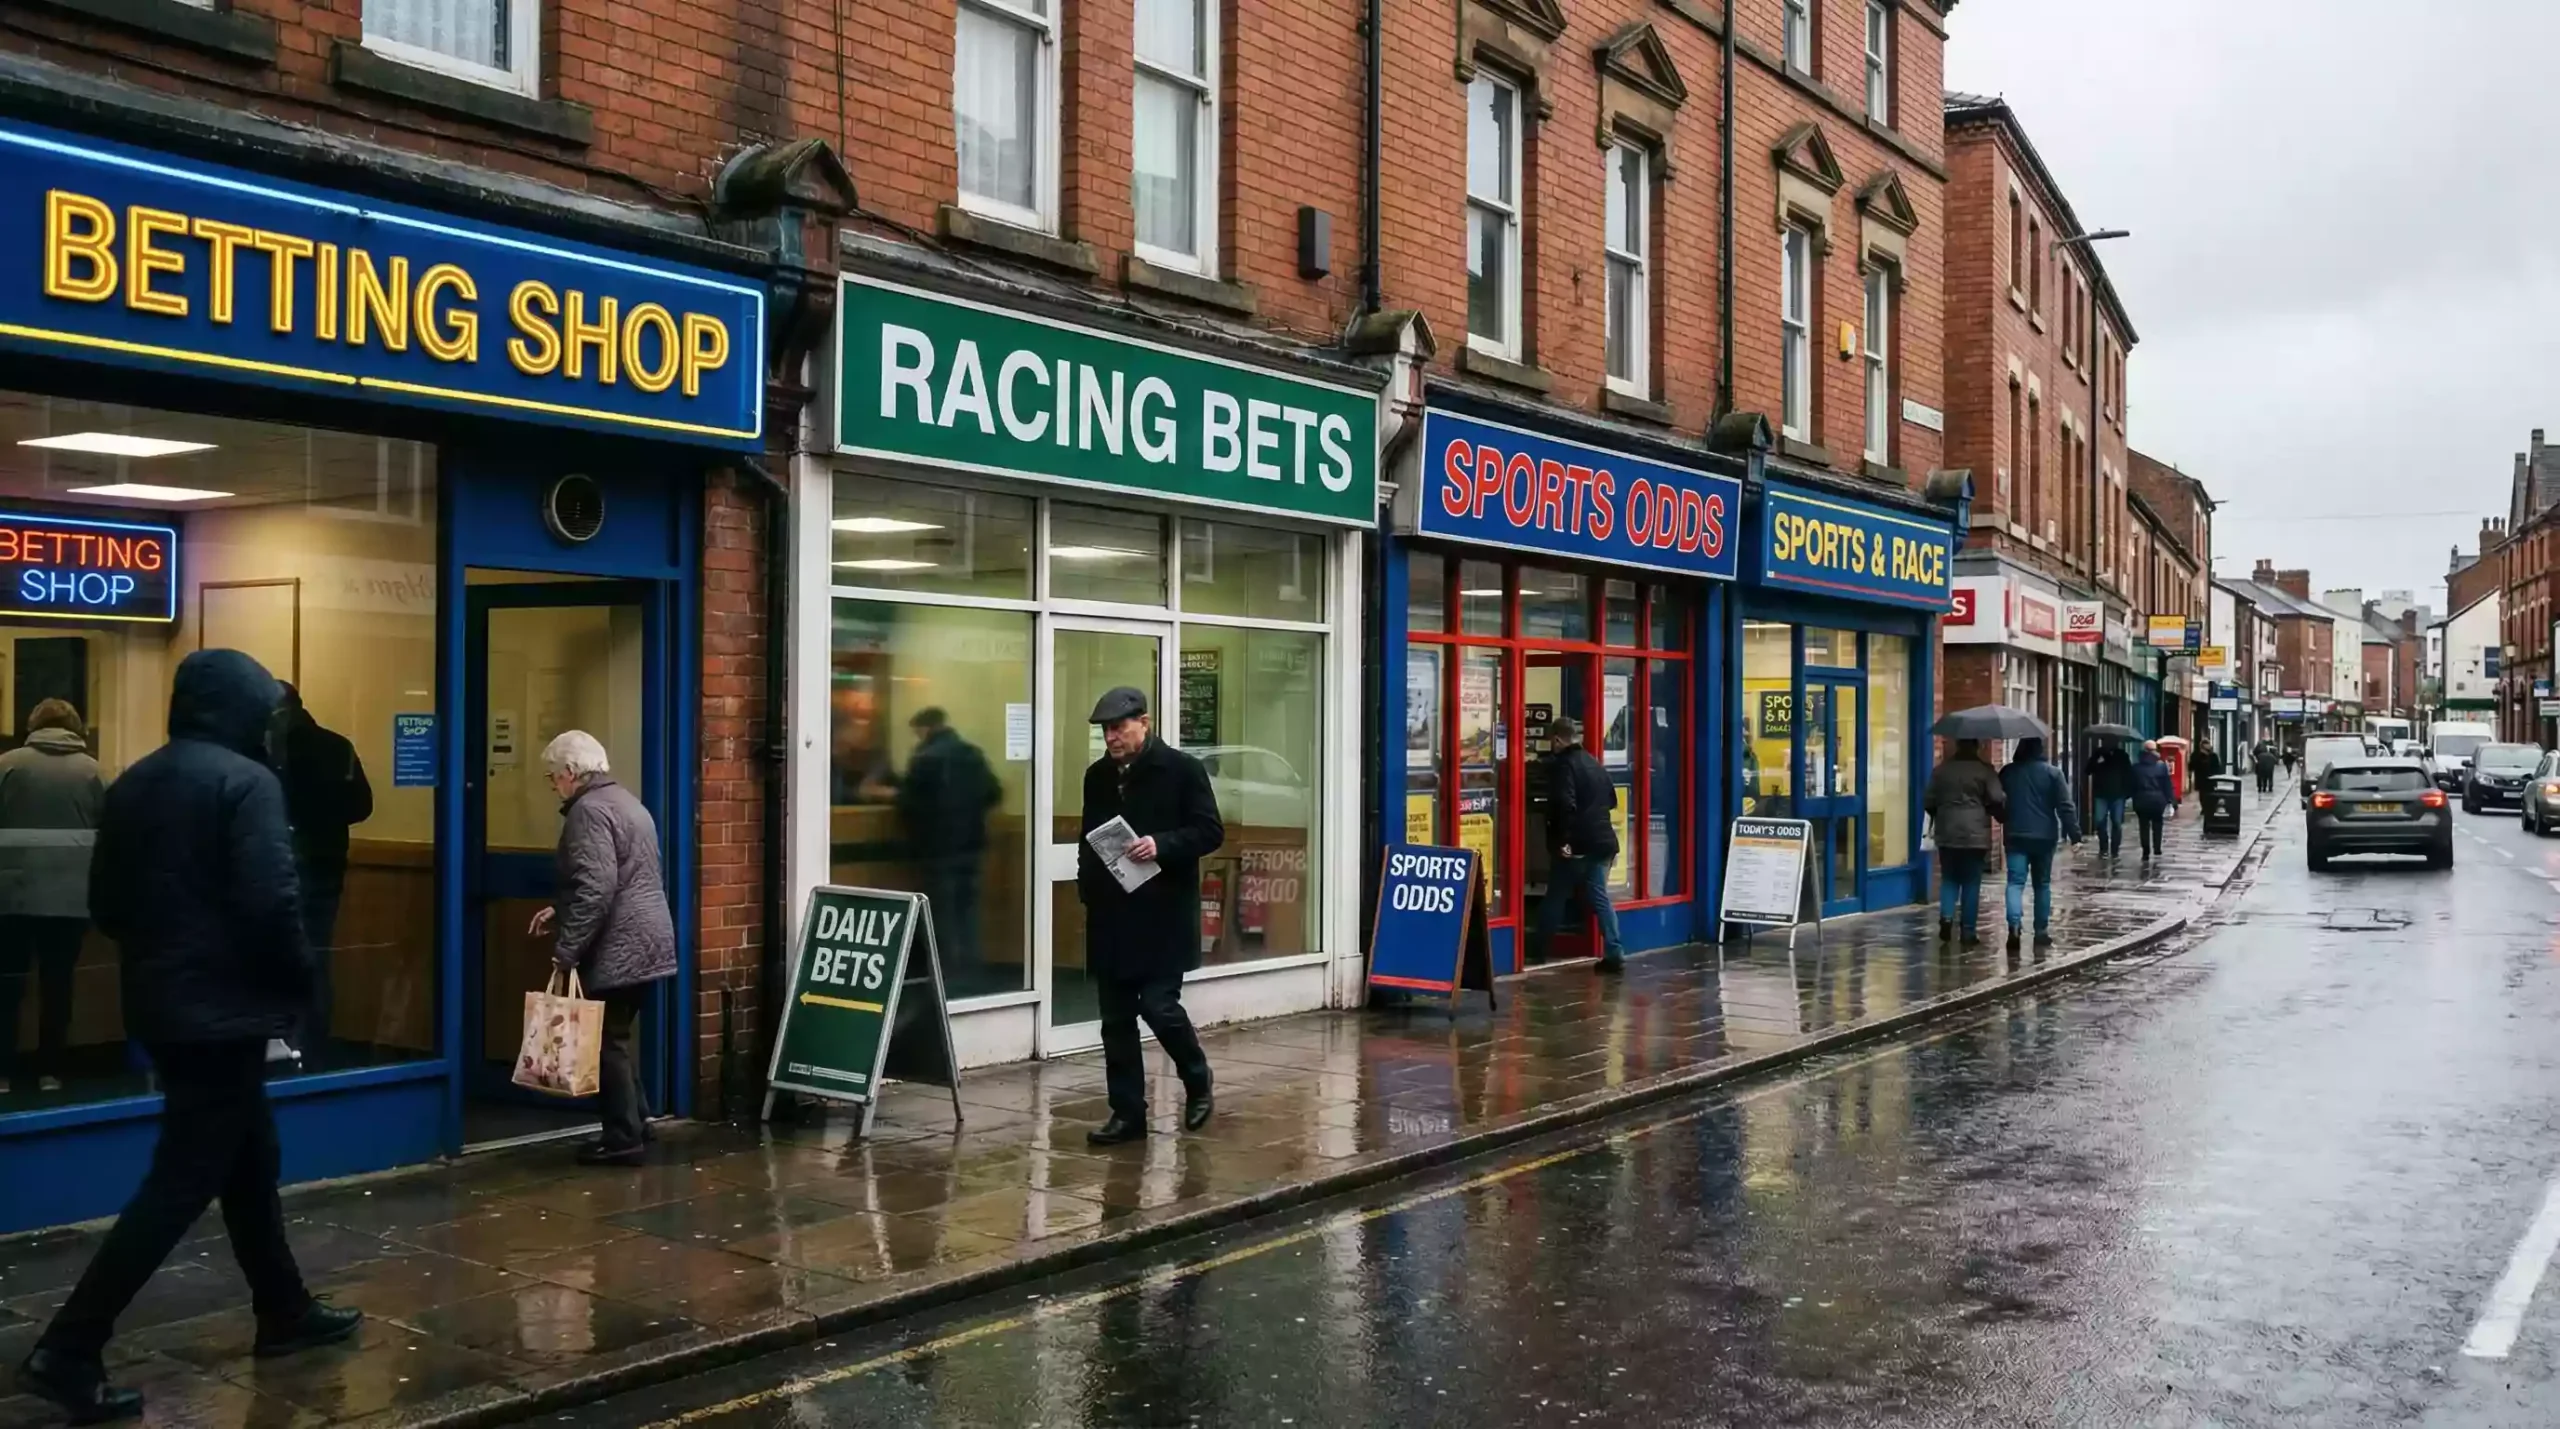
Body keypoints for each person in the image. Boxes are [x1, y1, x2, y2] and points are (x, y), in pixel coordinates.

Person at [17, 651, 359, 1423]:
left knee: (250, 1157)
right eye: (264, 710)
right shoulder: (248, 784)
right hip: (225, 1014)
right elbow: (274, 902)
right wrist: (299, 984)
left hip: (164, 1009)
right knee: (181, 1182)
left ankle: (283, 1306)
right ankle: (69, 1346)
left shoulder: (137, 778)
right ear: (241, 711)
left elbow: (104, 900)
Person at [1076, 687, 1223, 1146]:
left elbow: (1209, 831)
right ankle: (1127, 1114)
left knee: (1159, 1007)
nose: (1112, 737)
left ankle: (1197, 1079)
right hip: (1112, 914)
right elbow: (1089, 839)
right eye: (1106, 730)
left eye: (1119, 728)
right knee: (1115, 1020)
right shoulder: (1097, 776)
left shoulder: (1182, 770)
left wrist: (1162, 844)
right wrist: (1088, 894)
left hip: (1162, 912)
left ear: (1145, 722)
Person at [528, 731, 675, 1167]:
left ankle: (622, 1138)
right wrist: (559, 909)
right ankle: (638, 1123)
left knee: (606, 1042)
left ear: (571, 773)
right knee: (618, 1036)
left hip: (620, 944)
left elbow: (597, 887)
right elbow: (622, 874)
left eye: (553, 777)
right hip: (650, 939)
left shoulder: (588, 811)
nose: (553, 785)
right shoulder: (627, 803)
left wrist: (566, 951)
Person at [0, 698, 104, 1097]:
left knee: (8, 988)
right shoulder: (92, 771)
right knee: (58, 986)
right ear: (75, 726)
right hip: (71, 897)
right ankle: (51, 1071)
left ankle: (4, 1072)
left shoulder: (8, 765)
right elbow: (107, 827)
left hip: (13, 894)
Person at [274, 683, 373, 1069]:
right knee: (318, 953)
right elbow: (362, 804)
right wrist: (328, 819)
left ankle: (289, 1043)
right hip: (329, 860)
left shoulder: (275, 750)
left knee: (284, 957)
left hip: (288, 863)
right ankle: (315, 1044)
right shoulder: (337, 745)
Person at [891, 708, 1002, 986]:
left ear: (925, 728)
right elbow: (993, 792)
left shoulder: (925, 758)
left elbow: (909, 804)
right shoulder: (972, 754)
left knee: (942, 913)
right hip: (971, 845)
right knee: (967, 911)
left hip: (938, 849)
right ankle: (972, 971)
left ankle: (946, 976)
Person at [1527, 716, 1628, 972]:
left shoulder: (1564, 766)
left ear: (1558, 740)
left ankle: (1536, 950)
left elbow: (1565, 804)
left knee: (1556, 896)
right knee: (1599, 897)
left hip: (1577, 845)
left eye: (1552, 741)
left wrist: (1563, 840)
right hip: (1603, 842)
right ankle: (1614, 952)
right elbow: (1611, 800)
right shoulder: (1594, 763)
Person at [1997, 736, 2079, 953]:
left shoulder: (2007, 772)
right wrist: (2075, 835)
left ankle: (2014, 926)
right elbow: (2065, 806)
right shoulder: (2053, 773)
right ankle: (2041, 931)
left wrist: (2002, 817)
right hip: (2044, 837)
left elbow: (1996, 800)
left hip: (2015, 835)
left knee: (2015, 882)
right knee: (2041, 884)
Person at [1921, 738, 2002, 946]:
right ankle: (1968, 931)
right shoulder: (1985, 770)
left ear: (1957, 746)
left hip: (1947, 832)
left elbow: (1929, 801)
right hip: (1975, 836)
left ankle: (1946, 919)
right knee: (1971, 882)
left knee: (1949, 879)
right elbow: (1997, 798)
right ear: (1977, 746)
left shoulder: (1941, 771)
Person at [2086, 737, 2134, 860]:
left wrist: (2127, 792)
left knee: (2117, 823)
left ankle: (2114, 850)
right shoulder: (2098, 753)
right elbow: (2088, 770)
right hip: (2101, 794)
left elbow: (2128, 774)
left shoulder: (2122, 755)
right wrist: (2097, 762)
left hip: (2118, 795)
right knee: (2099, 821)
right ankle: (2103, 848)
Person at [2130, 740, 2177, 862]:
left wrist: (2132, 797)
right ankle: (2157, 848)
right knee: (2158, 823)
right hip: (2157, 799)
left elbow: (2132, 786)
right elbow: (2166, 785)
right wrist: (2171, 800)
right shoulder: (2161, 766)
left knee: (2143, 825)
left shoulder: (2136, 767)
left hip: (2141, 799)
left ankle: (2146, 851)